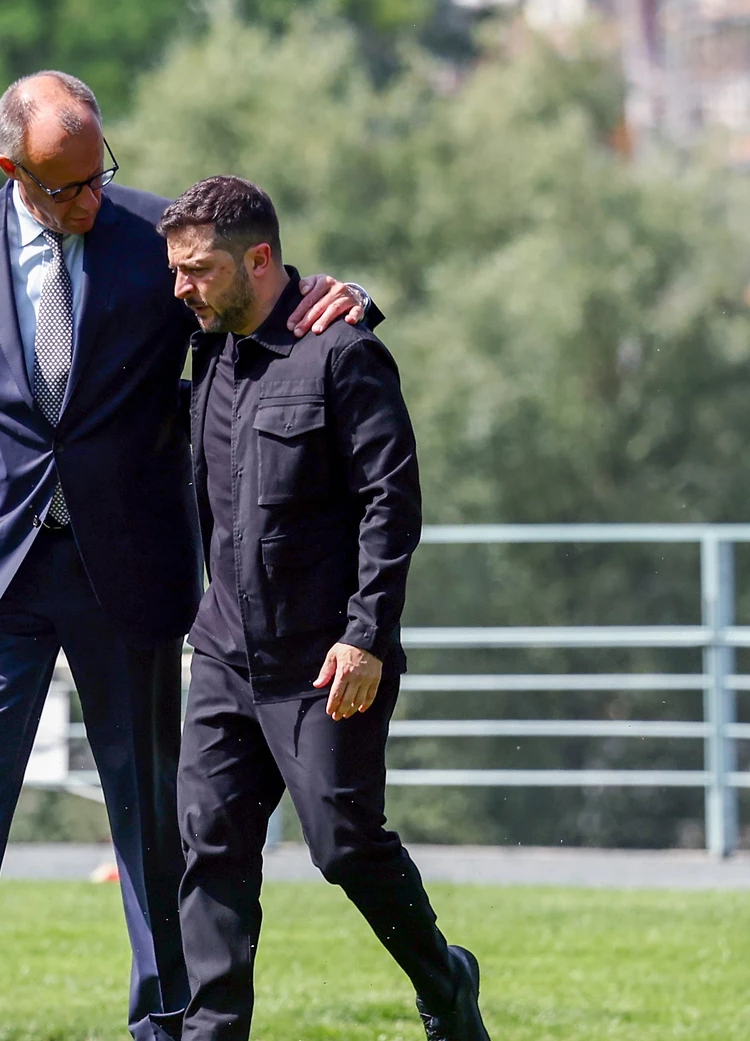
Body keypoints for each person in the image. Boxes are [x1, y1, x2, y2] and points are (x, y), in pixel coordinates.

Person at [0, 72, 374, 1041]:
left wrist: (350, 296)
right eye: (64, 186)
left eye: (94, 176)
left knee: (150, 814)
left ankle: (161, 1019)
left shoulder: (151, 238)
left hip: (129, 570)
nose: (87, 200)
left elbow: (251, 292)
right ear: (11, 170)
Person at [160, 175, 489, 1041]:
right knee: (211, 849)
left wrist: (367, 634)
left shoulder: (341, 353)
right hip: (227, 655)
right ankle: (210, 1032)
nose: (180, 287)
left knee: (344, 844)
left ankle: (445, 979)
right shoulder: (208, 345)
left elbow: (392, 498)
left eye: (196, 270)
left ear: (259, 259)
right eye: (177, 270)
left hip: (325, 662)